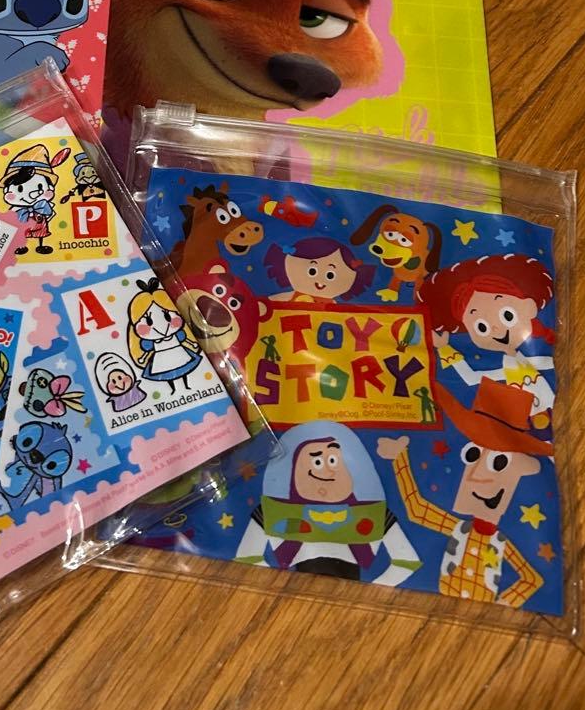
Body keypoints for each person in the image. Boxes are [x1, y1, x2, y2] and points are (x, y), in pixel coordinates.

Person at [377, 378, 549, 608]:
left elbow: (532, 579)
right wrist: (400, 459)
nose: (476, 475)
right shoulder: (461, 529)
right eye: (472, 456)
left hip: (479, 612)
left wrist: (503, 604)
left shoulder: (499, 542)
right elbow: (416, 510)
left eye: (498, 463)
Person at [235, 420, 420, 586]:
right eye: (316, 462)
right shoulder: (273, 512)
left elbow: (407, 562)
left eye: (333, 460)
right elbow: (247, 557)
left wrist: (372, 591)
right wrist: (277, 587)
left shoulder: (375, 514)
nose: (329, 471)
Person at [418, 254, 555, 430]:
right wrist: (445, 348)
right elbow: (471, 378)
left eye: (507, 315)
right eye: (481, 327)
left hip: (547, 415)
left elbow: (548, 362)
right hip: (525, 423)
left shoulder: (532, 359)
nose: (496, 330)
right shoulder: (514, 366)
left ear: (529, 307)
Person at [127, 277, 202, 394]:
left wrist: (192, 343)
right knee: (167, 374)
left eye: (168, 316)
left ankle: (187, 386)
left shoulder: (177, 334)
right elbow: (147, 351)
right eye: (148, 322)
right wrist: (143, 357)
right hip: (161, 358)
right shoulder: (150, 342)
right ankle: (173, 389)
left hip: (178, 352)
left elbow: (185, 340)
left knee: (184, 370)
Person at [0, 143, 71, 255]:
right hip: (25, 222)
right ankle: (22, 246)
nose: (32, 194)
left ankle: (40, 246)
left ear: (50, 187)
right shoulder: (18, 209)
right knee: (23, 233)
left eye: (40, 187)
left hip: (39, 220)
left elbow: (50, 212)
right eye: (20, 189)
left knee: (40, 233)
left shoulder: (42, 205)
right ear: (7, 190)